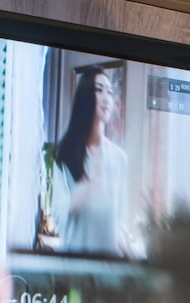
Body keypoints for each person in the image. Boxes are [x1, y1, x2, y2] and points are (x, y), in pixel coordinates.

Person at [50, 67, 138, 258]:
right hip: (73, 262)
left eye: (110, 92)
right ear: (85, 96)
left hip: (108, 264)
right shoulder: (65, 154)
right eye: (99, 90)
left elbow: (120, 221)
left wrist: (130, 255)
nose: (106, 98)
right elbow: (57, 214)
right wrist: (81, 195)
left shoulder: (119, 158)